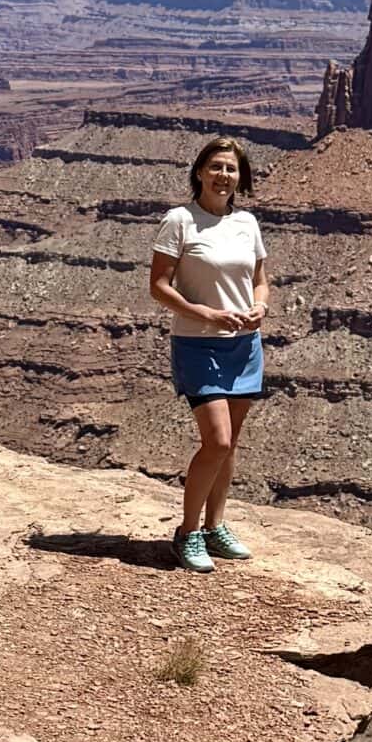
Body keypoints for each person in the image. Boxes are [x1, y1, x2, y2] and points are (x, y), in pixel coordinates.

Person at [150, 136, 268, 573]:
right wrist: (203, 313)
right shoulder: (179, 220)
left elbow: (260, 279)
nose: (223, 176)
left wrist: (261, 306)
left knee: (230, 444)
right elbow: (159, 286)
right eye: (216, 167)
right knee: (215, 440)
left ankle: (216, 527)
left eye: (231, 169)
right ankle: (187, 533)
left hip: (243, 344)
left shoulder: (247, 223)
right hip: (198, 343)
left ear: (241, 178)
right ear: (200, 171)